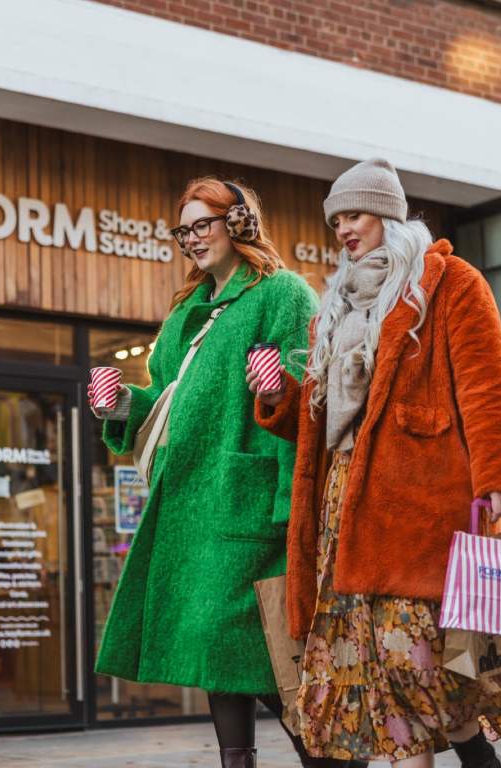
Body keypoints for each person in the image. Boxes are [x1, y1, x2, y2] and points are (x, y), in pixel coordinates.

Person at [248, 158, 501, 768]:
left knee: (427, 669)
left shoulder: (451, 283)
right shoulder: (334, 307)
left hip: (416, 508)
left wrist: (499, 481)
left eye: (353, 215)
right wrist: (279, 397)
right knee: (379, 676)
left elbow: (490, 387)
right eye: (335, 221)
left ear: (387, 214)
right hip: (343, 513)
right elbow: (319, 414)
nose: (343, 230)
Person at [90, 177, 362, 768]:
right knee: (220, 652)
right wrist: (120, 404)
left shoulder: (283, 294)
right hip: (193, 509)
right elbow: (162, 398)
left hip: (251, 507)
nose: (191, 239)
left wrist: (279, 392)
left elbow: (311, 399)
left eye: (202, 225)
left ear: (238, 223)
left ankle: (334, 759)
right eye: (182, 229)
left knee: (258, 652)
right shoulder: (186, 311)